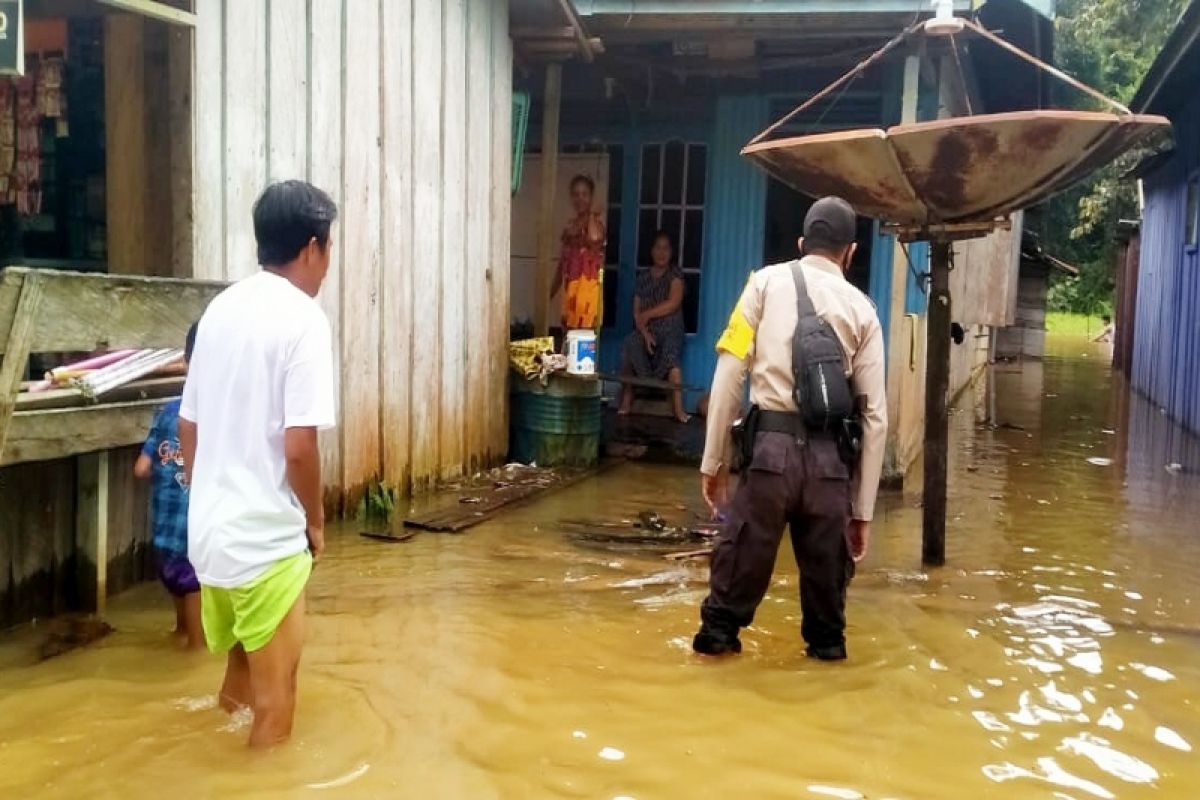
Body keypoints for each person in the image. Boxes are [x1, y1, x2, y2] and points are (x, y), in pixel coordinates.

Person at [692, 196, 887, 661]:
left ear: (802, 244)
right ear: (851, 252)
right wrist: (861, 512)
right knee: (827, 634)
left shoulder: (762, 284)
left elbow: (728, 376)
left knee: (720, 619)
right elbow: (875, 417)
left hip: (768, 462)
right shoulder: (863, 309)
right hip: (829, 473)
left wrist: (713, 461)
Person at [179, 180, 338, 748]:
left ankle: (214, 771)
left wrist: (207, 497)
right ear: (314, 246)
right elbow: (299, 448)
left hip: (210, 537)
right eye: (329, 251)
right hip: (265, 543)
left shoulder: (221, 308)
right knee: (278, 702)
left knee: (240, 678)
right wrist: (315, 521)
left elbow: (187, 424)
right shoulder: (304, 319)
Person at [134, 321, 203, 650]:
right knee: (199, 650)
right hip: (194, 548)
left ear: (186, 361)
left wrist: (170, 461)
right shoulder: (213, 417)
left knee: (180, 633)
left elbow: (141, 469)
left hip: (164, 546)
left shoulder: (165, 414)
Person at [619, 230, 688, 422]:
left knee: (672, 358)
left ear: (671, 252)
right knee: (629, 344)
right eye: (658, 247)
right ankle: (627, 397)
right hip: (646, 332)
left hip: (669, 332)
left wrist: (647, 315)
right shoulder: (643, 278)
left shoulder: (675, 275)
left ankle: (679, 409)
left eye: (666, 248)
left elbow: (674, 302)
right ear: (651, 250)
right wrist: (644, 332)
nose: (661, 252)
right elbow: (636, 312)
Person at [550, 174, 606, 330]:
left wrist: (592, 215)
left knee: (584, 350)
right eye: (575, 194)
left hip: (588, 298)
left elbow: (594, 238)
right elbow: (562, 264)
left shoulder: (596, 224)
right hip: (570, 296)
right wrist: (550, 292)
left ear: (591, 197)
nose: (580, 199)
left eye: (585, 194)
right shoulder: (570, 227)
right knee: (569, 347)